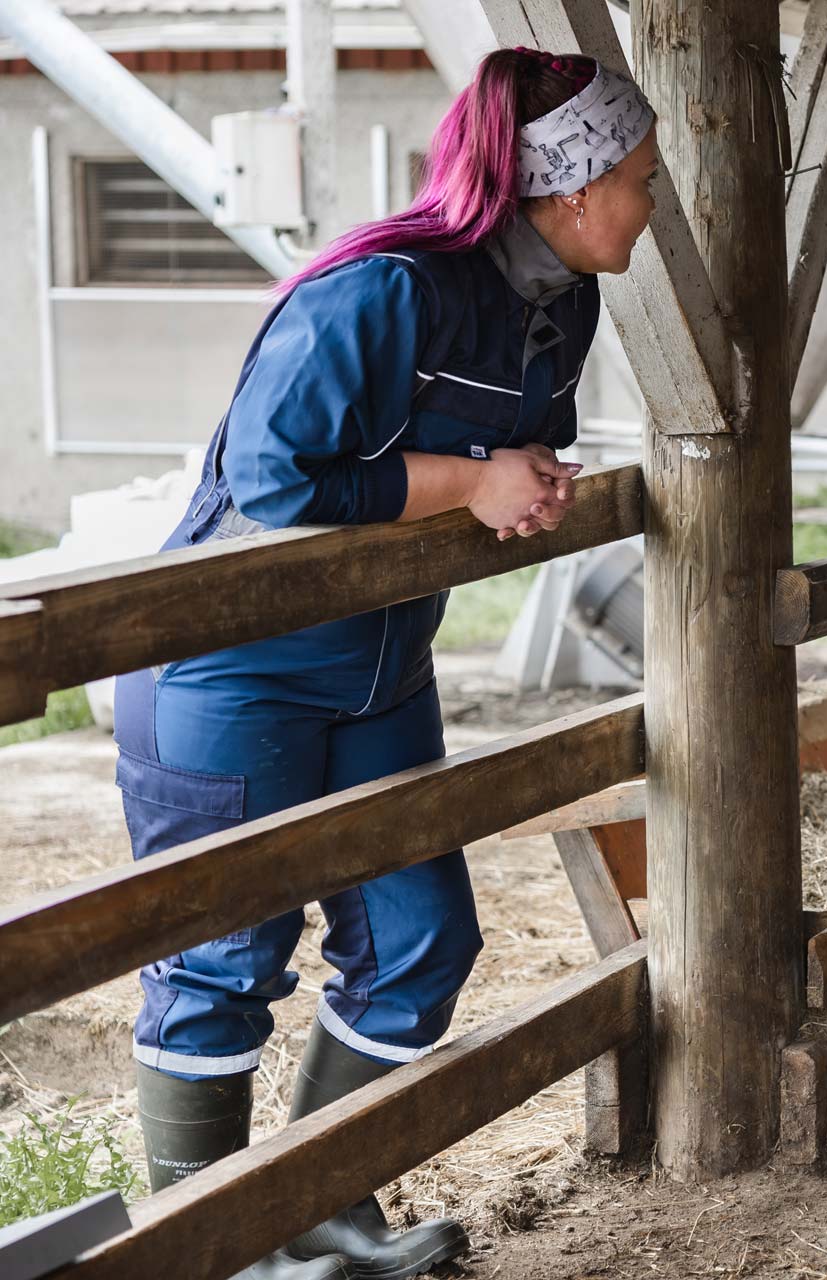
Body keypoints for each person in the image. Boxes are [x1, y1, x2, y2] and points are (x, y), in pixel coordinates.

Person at [114, 47, 660, 1280]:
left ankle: (321, 1211)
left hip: (382, 661)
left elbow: (504, 445)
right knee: (221, 956)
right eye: (639, 175)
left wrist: (528, 479)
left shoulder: (562, 299)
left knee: (421, 936)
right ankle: (213, 1250)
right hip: (233, 664)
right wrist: (478, 481)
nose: (651, 199)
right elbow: (274, 478)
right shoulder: (379, 289)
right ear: (570, 192)